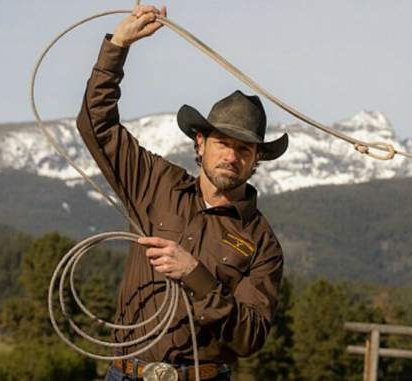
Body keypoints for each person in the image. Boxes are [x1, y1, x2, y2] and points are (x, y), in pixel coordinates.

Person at [75, 5, 288, 381]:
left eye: (244, 149)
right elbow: (97, 125)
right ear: (201, 142)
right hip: (125, 373)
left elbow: (250, 337)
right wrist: (119, 46)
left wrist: (196, 274)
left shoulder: (262, 242)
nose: (231, 156)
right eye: (223, 143)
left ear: (257, 159)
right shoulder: (156, 183)